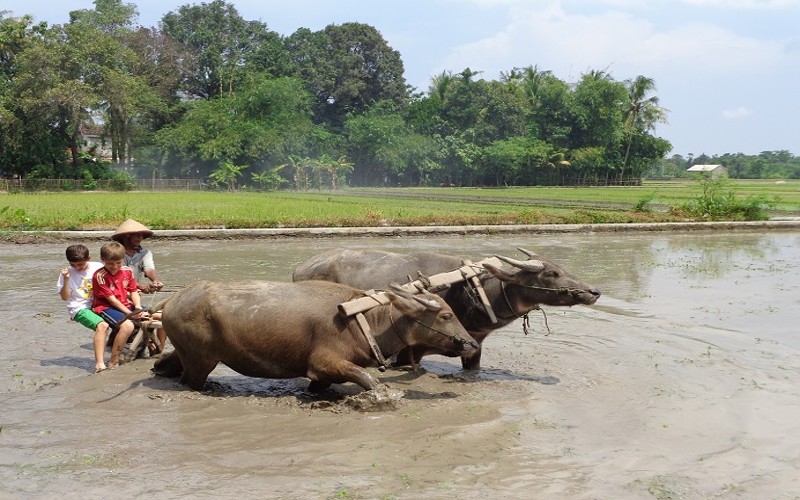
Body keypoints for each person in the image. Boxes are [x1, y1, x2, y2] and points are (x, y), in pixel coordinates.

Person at [92, 240, 147, 368]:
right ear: (102, 260)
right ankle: (113, 361)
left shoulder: (127, 271)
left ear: (123, 259)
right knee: (127, 326)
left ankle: (158, 351)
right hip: (106, 307)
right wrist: (130, 314)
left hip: (126, 304)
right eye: (110, 263)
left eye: (118, 263)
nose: (115, 266)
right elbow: (112, 300)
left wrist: (138, 307)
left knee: (161, 315)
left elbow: (133, 291)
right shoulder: (99, 276)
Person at [57, 244, 110, 373]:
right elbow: (65, 297)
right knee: (102, 326)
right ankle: (99, 364)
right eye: (73, 264)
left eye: (80, 264)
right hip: (79, 308)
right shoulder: (67, 273)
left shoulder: (99, 267)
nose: (77, 268)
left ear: (88, 259)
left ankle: (115, 355)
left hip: (99, 304)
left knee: (125, 321)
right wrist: (66, 279)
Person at [111, 218, 163, 294]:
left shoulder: (145, 252)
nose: (140, 238)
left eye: (142, 236)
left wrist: (155, 281)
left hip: (133, 293)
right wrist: (138, 285)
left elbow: (149, 269)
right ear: (126, 236)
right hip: (116, 292)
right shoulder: (114, 252)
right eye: (137, 235)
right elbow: (117, 276)